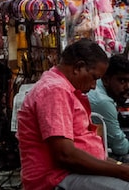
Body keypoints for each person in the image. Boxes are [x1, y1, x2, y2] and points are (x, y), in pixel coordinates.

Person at [17, 39, 129, 190]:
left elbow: (86, 151)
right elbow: (65, 155)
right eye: (94, 78)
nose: (93, 86)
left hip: (71, 174)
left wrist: (119, 167)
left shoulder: (63, 89)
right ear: (79, 67)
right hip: (55, 179)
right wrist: (122, 171)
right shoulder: (54, 90)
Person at [88, 54, 129, 162]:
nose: (127, 87)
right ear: (106, 80)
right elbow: (121, 148)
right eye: (122, 81)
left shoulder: (99, 86)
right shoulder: (103, 101)